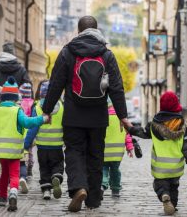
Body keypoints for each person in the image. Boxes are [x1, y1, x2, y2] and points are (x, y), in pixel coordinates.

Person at [42, 16, 133, 212]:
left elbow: (55, 83)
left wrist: (47, 110)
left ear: (78, 30)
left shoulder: (68, 52)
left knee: (74, 152)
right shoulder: (106, 54)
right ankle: (93, 199)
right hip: (98, 116)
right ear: (97, 29)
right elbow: (116, 87)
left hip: (73, 115)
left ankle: (78, 188)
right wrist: (122, 116)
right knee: (95, 156)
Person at [130, 91, 187, 215]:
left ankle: (164, 195)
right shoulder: (181, 125)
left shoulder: (154, 125)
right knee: (174, 186)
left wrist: (131, 129)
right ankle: (173, 205)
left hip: (160, 167)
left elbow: (143, 134)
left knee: (160, 185)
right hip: (176, 167)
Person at [0, 76, 49, 212]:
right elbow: (27, 123)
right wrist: (42, 119)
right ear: (15, 97)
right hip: (14, 150)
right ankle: (13, 193)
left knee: (4, 174)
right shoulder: (17, 110)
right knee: (14, 175)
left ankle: (2, 198)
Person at [24, 80, 64, 200]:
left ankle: (46, 190)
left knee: (44, 168)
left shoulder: (37, 107)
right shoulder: (62, 106)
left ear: (41, 93)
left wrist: (27, 143)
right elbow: (66, 125)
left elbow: (33, 127)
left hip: (42, 146)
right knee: (58, 164)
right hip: (57, 145)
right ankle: (56, 176)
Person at [101, 99, 134, 198]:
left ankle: (102, 185)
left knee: (103, 169)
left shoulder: (102, 116)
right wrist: (129, 148)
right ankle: (115, 190)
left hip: (104, 151)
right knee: (115, 170)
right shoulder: (122, 118)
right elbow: (127, 135)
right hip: (117, 152)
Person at [19, 83, 35, 178]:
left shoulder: (20, 103)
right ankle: (29, 168)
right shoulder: (33, 103)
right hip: (30, 130)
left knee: (22, 150)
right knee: (30, 151)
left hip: (21, 129)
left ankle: (22, 165)